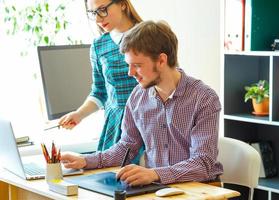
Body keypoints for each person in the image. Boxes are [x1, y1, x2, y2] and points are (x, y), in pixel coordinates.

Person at [61, 20, 223, 186]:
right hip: (160, 189)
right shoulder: (138, 96)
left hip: (202, 189)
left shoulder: (204, 98)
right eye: (129, 65)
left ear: (161, 60)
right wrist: (85, 161)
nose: (130, 73)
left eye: (137, 66)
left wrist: (154, 174)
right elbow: (126, 147)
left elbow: (202, 163)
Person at [59, 0, 142, 151]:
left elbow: (166, 84)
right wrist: (79, 114)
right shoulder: (98, 46)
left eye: (102, 10)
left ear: (122, 4)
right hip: (116, 126)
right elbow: (99, 92)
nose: (98, 19)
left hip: (147, 122)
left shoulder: (149, 35)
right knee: (110, 174)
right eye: (93, 13)